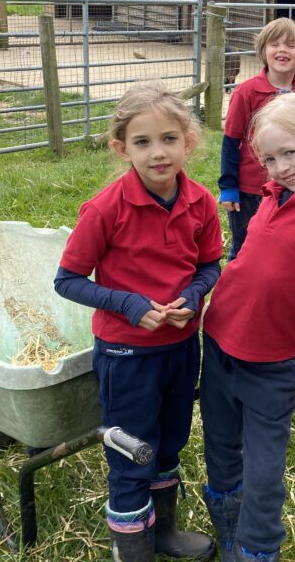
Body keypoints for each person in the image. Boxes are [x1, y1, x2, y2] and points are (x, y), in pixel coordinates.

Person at [53, 82, 223, 562]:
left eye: (169, 139)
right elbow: (67, 280)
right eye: (143, 142)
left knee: (169, 441)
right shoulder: (106, 209)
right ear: (120, 147)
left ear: (188, 141)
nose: (158, 153)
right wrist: (129, 304)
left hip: (181, 346)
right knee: (133, 452)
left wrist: (193, 295)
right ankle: (133, 550)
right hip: (126, 355)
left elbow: (209, 265)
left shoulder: (201, 203)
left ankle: (163, 531)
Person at [200, 93, 295, 562]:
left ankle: (258, 549)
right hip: (220, 341)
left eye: (290, 153)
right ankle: (230, 535)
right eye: (269, 159)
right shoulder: (270, 199)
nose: (280, 167)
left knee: (264, 473)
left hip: (269, 363)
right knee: (220, 447)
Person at [218, 18, 295, 259]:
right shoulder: (247, 92)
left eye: (290, 45)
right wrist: (228, 186)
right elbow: (231, 140)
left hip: (292, 183)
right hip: (251, 188)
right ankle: (236, 291)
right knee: (245, 245)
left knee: (282, 243)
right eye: (275, 44)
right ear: (263, 51)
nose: (282, 50)